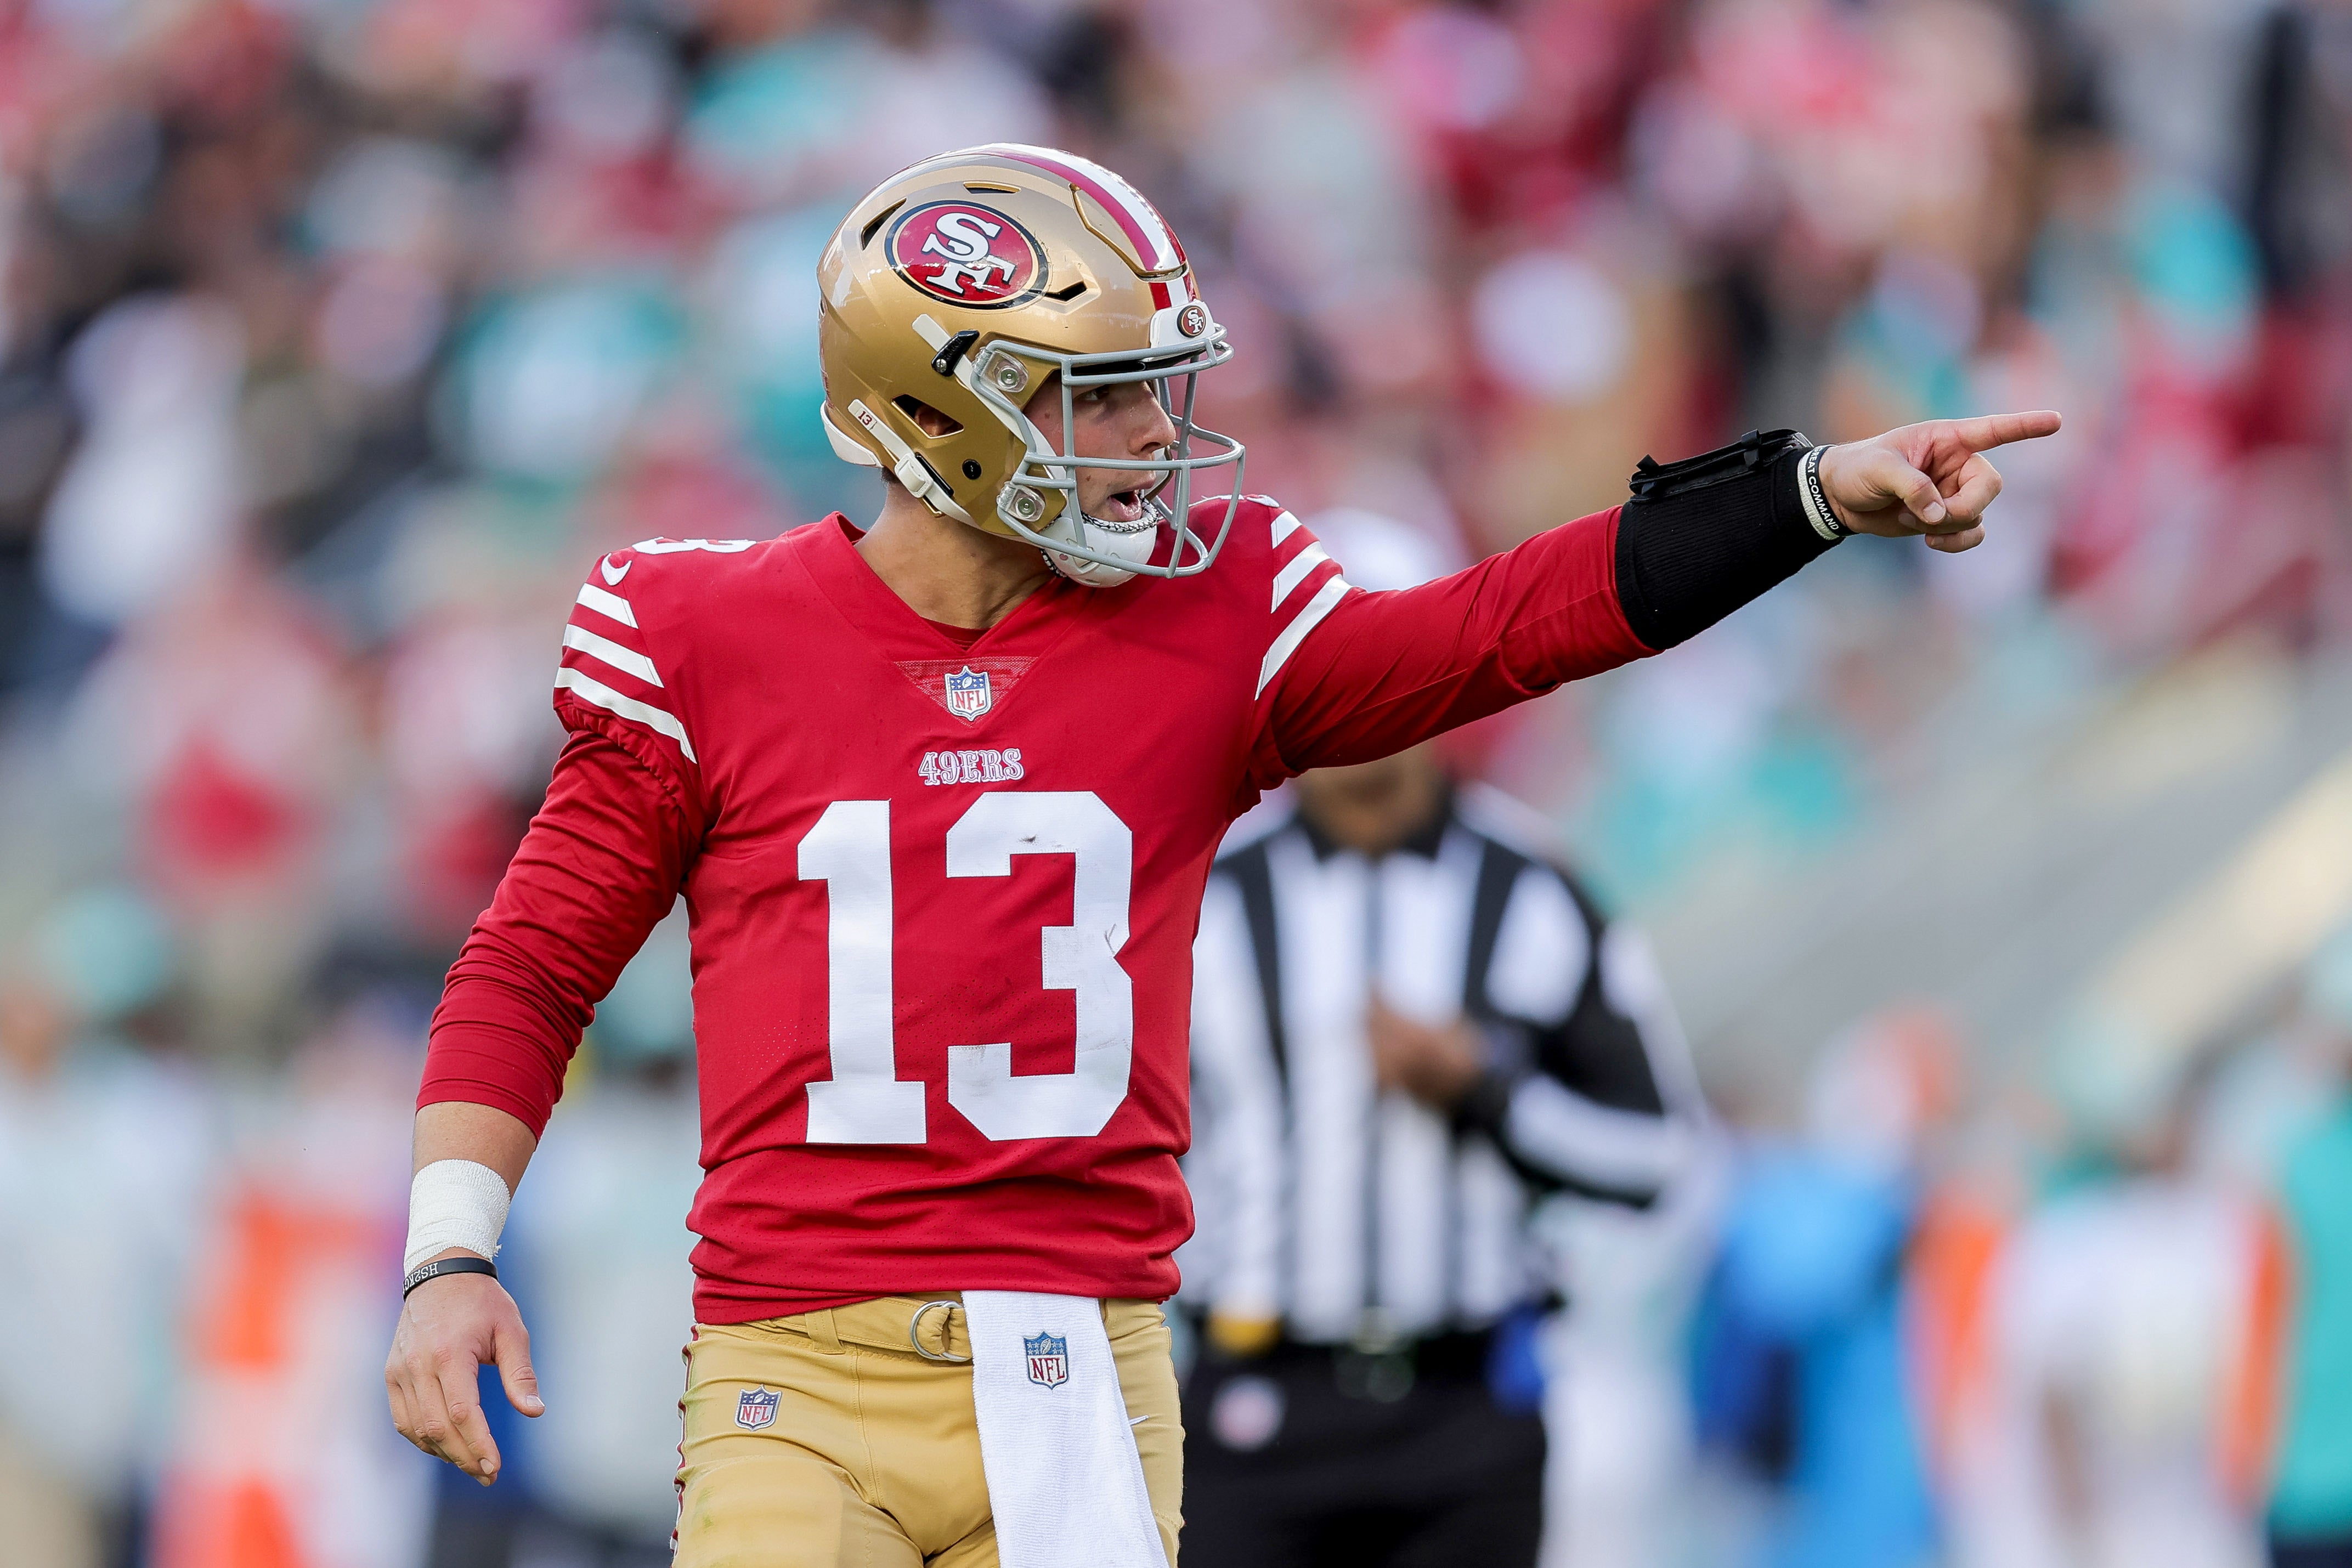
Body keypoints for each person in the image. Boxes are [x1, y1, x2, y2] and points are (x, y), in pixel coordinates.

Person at [381, 141, 2059, 1568]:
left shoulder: (1210, 616)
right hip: (793, 1367)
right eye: (1100, 399)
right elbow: (533, 963)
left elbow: (1506, 627)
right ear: (944, 405)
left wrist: (1814, 495)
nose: (1148, 441)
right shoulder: (699, 633)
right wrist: (453, 1250)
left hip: (1086, 1365)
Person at [1177, 513, 1703, 1566]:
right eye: (1318, 665)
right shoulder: (1201, 895)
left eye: (1374, 659)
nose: (1348, 695)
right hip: (1249, 1400)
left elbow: (1659, 1158)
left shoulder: (1538, 889)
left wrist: (1491, 1092)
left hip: (1468, 1415)